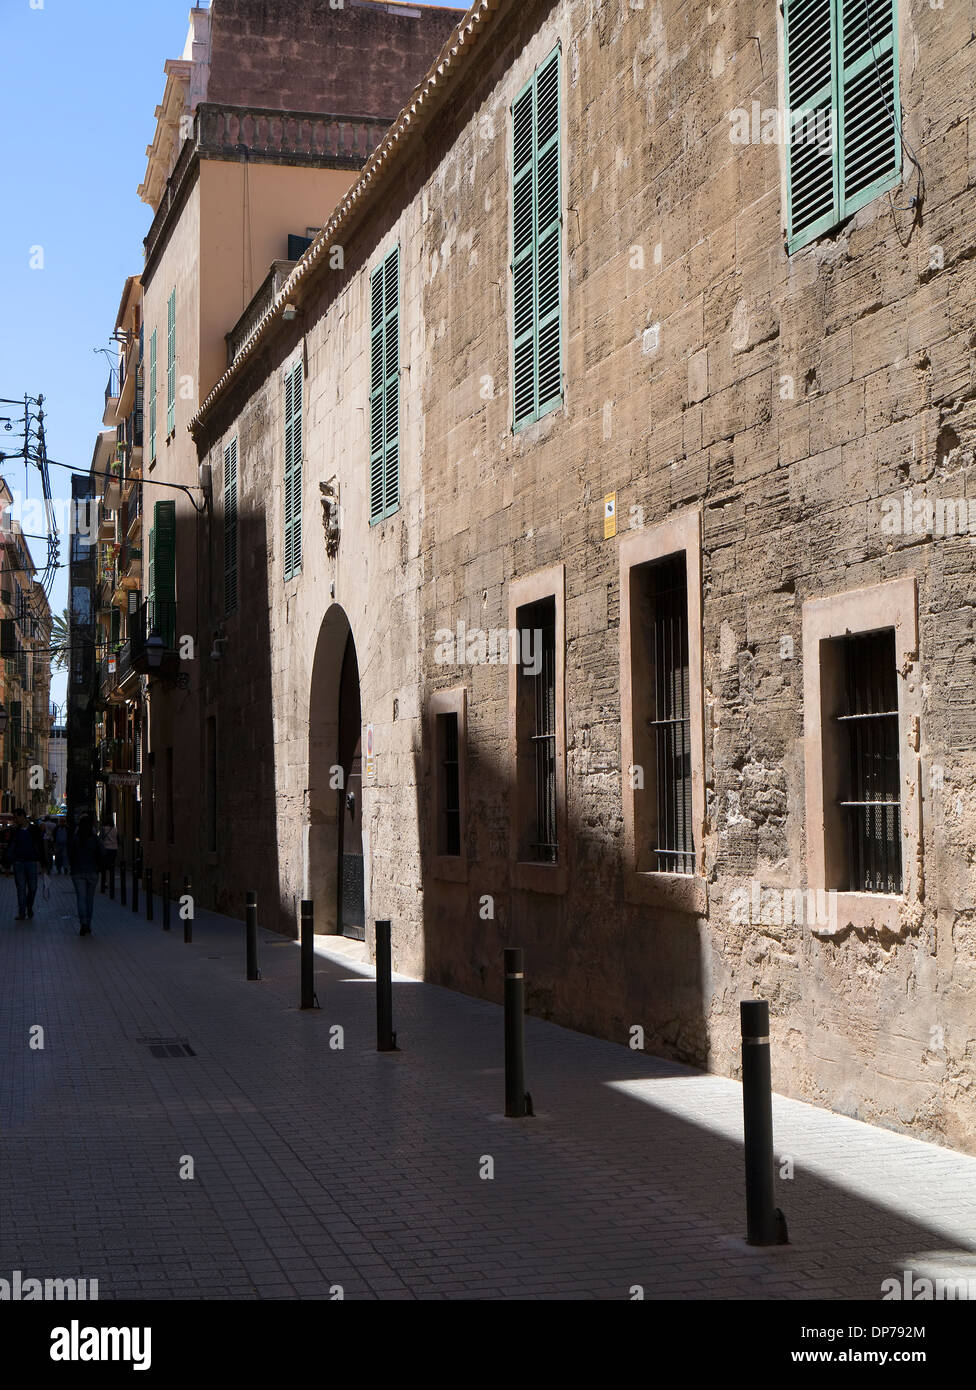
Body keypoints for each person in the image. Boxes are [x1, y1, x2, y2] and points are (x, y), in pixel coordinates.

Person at [3, 807, 46, 921]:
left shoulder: (34, 830)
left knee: (33, 887)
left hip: (32, 862)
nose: (15, 820)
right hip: (18, 863)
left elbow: (41, 847)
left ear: (22, 816)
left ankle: (29, 906)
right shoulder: (15, 831)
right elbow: (10, 848)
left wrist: (43, 864)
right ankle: (22, 912)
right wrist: (7, 865)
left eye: (16, 817)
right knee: (21, 888)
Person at [69, 816, 102, 937]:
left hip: (78, 872)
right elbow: (101, 853)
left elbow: (71, 854)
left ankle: (83, 924)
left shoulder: (76, 839)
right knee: (90, 899)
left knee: (81, 899)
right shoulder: (95, 839)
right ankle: (88, 924)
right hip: (92, 871)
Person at [99, 815, 119, 893]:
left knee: (104, 868)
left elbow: (100, 838)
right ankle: (111, 883)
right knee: (111, 867)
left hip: (105, 849)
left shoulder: (103, 829)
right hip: (114, 849)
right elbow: (118, 839)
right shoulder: (115, 829)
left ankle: (104, 884)